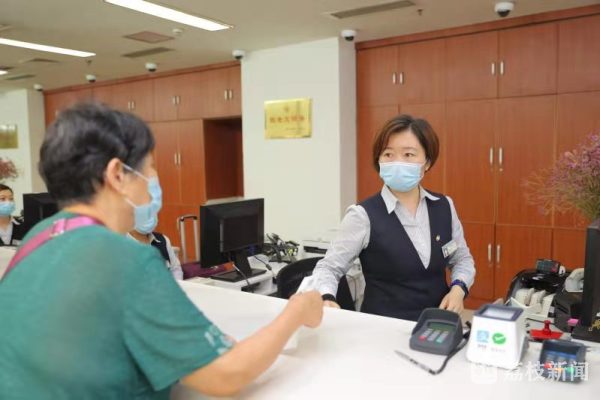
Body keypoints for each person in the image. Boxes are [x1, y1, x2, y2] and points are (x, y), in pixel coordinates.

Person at [0, 103, 323, 399]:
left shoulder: (39, 236)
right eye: (150, 167)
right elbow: (226, 375)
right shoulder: (126, 259)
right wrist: (294, 313)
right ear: (117, 175)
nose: (154, 179)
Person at [311, 114, 475, 321]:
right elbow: (328, 267)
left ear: (427, 162)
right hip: (383, 328)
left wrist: (458, 288)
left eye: (408, 154)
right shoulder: (362, 215)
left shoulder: (444, 206)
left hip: (436, 324)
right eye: (388, 154)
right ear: (379, 161)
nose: (398, 162)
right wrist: (326, 297)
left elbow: (462, 259)